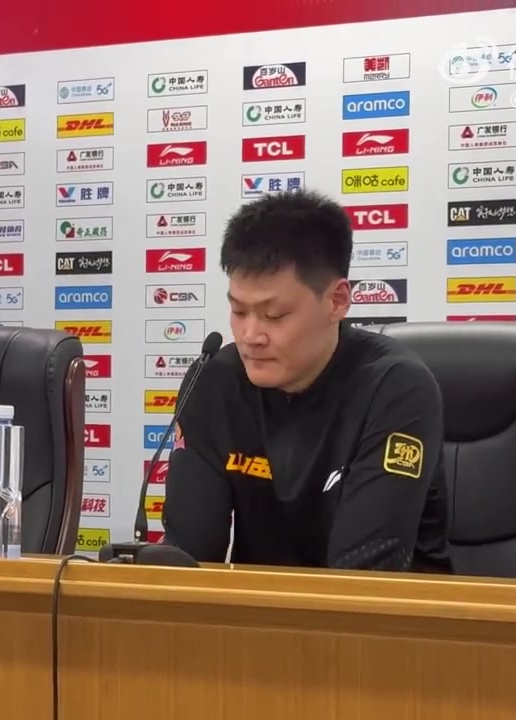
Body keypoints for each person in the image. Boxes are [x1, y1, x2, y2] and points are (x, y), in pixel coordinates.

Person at [161, 189, 452, 572]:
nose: (250, 336)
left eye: (274, 315)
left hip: (391, 608)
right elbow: (188, 557)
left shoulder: (396, 387)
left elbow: (364, 573)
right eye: (239, 312)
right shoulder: (214, 380)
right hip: (256, 607)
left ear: (337, 301)